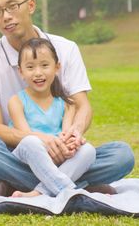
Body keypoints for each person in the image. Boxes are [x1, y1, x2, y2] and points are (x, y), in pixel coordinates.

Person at [0, 0, 134, 197]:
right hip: (18, 152)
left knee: (122, 155)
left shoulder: (66, 49)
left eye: (12, 6)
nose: (6, 16)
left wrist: (71, 135)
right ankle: (78, 186)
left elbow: (82, 106)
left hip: (64, 150)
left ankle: (25, 186)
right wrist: (40, 140)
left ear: (31, 5)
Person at [8, 38, 95, 198]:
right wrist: (50, 144)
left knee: (88, 150)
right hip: (28, 157)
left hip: (58, 156)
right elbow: (25, 135)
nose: (38, 72)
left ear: (57, 67)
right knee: (30, 142)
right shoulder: (16, 101)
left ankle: (38, 193)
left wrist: (72, 143)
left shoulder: (67, 103)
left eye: (45, 65)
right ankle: (73, 192)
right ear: (21, 72)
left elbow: (66, 133)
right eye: (30, 67)